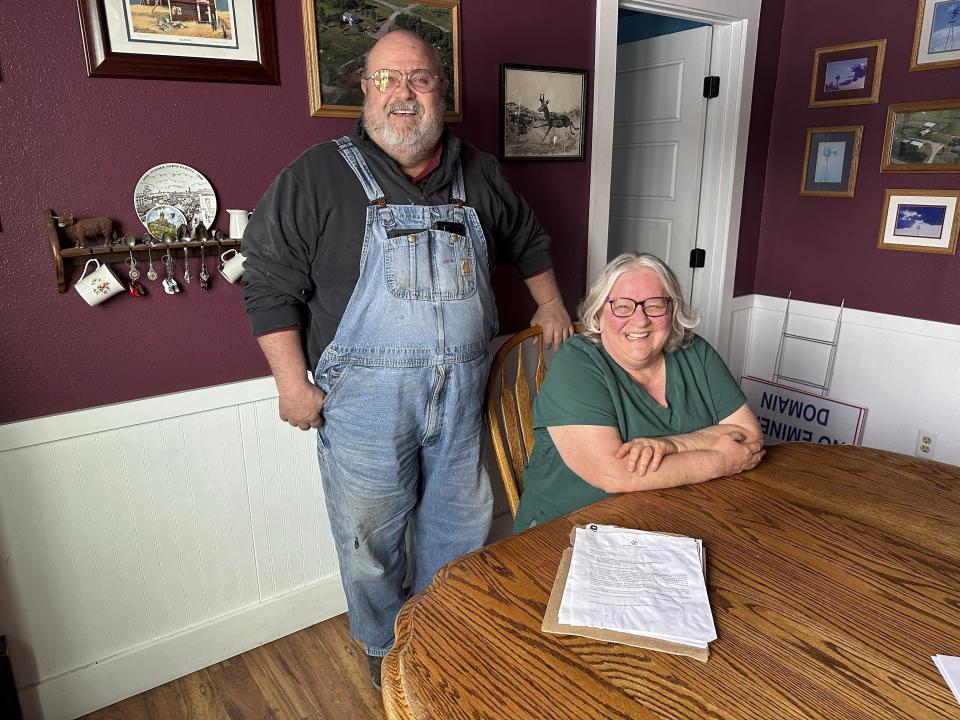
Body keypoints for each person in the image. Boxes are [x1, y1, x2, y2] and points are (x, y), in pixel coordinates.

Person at [240, 29, 573, 690]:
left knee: (460, 528)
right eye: (387, 79)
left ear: (440, 92)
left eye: (418, 79)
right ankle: (383, 653)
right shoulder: (317, 174)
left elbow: (528, 237)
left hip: (463, 395)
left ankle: (447, 637)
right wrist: (289, 384)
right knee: (371, 543)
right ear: (365, 89)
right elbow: (267, 281)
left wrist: (553, 305)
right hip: (364, 404)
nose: (403, 94)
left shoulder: (476, 172)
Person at [513, 252, 764, 530]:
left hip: (672, 518)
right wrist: (719, 459)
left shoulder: (696, 352)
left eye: (655, 305)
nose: (640, 319)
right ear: (599, 312)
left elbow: (749, 437)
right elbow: (615, 474)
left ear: (672, 311)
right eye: (621, 306)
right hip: (567, 530)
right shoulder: (577, 362)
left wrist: (670, 446)